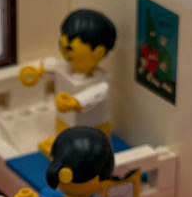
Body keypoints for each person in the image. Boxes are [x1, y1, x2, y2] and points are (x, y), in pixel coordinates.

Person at [19, 8, 118, 137]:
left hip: (93, 130)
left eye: (70, 48)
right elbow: (54, 65)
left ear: (98, 52)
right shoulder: (66, 67)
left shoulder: (101, 81)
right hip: (64, 121)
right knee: (64, 130)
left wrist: (76, 101)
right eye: (61, 44)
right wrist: (37, 71)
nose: (64, 51)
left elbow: (97, 92)